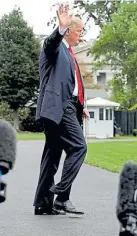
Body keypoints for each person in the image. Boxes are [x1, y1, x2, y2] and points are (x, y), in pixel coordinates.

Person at [33, 3, 89, 216]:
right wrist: (61, 29)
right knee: (79, 146)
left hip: (65, 107)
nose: (80, 36)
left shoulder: (69, 54)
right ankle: (62, 196)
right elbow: (49, 43)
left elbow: (70, 84)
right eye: (79, 31)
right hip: (58, 108)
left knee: (53, 155)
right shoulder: (55, 48)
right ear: (68, 30)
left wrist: (80, 106)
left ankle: (43, 203)